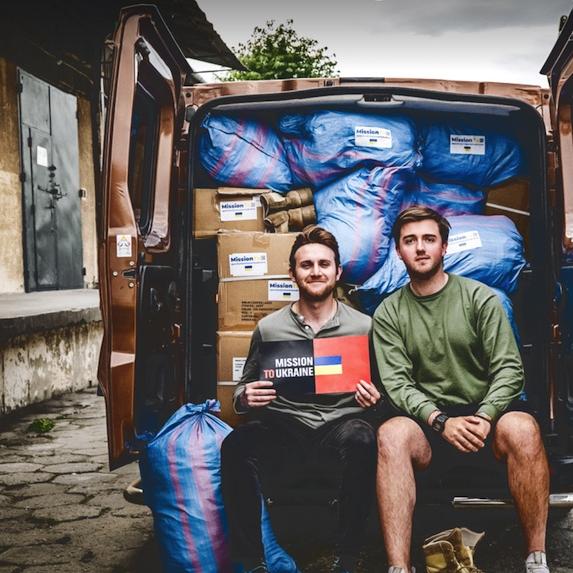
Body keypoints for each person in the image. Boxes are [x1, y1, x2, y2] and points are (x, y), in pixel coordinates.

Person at [372, 207, 550, 573]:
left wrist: (485, 416)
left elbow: (509, 368)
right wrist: (440, 421)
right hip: (428, 424)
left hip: (483, 419)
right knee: (391, 434)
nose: (420, 248)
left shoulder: (481, 298)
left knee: (523, 427)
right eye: (410, 241)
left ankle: (537, 559)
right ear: (399, 251)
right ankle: (398, 567)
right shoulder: (389, 312)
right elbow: (397, 384)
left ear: (444, 247)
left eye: (428, 239)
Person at [221, 225, 382, 573]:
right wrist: (245, 397)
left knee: (362, 435)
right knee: (235, 444)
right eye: (306, 265)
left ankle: (349, 557)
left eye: (324, 264)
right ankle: (252, 563)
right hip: (285, 430)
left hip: (341, 427)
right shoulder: (269, 328)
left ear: (337, 272)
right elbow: (241, 390)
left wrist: (375, 399)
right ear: (292, 274)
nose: (315, 271)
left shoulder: (364, 327)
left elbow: (384, 391)